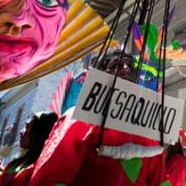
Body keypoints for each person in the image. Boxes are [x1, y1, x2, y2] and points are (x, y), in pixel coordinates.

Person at [29, 51, 165, 186]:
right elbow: (50, 174)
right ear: (101, 76)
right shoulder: (77, 118)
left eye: (129, 65)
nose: (126, 69)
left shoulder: (145, 130)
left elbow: (160, 179)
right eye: (116, 65)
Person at [0, 112, 58, 186]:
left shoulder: (45, 170)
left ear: (37, 134)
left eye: (27, 127)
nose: (21, 131)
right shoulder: (17, 163)